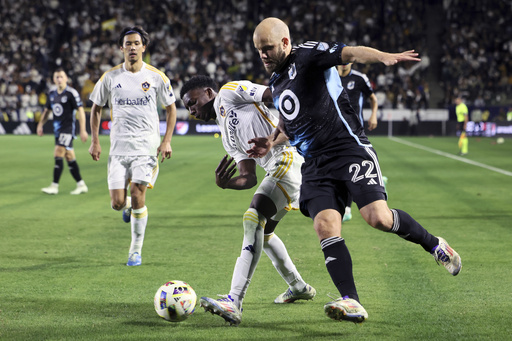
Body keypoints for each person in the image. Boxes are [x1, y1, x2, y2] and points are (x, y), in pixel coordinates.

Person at [251, 17, 462, 323]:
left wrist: (382, 56)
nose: (263, 55)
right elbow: (289, 124)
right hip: (316, 164)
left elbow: (348, 53)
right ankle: (352, 301)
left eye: (268, 48)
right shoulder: (276, 80)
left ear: (285, 42)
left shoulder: (308, 54)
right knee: (325, 226)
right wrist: (270, 142)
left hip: (348, 150)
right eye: (259, 50)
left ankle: (435, 245)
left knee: (378, 218)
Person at [180, 75, 316, 326]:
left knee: (253, 218)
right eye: (188, 108)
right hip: (278, 169)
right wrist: (226, 184)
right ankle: (298, 286)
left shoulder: (230, 92)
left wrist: (273, 140)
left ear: (209, 92)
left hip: (289, 156)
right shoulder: (227, 137)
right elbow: (248, 177)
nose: (191, 111)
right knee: (263, 233)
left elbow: (279, 95)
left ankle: (234, 300)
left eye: (192, 102)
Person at [88, 26, 177, 266]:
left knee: (138, 194)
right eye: (128, 44)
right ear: (121, 48)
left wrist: (166, 140)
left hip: (146, 147)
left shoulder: (157, 77)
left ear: (144, 47)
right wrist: (95, 141)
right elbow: (96, 108)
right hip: (118, 148)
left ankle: (135, 251)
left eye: (136, 43)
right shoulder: (110, 77)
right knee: (117, 203)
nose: (132, 47)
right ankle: (126, 206)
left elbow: (171, 108)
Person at [337, 63, 386, 222]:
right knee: (340, 166)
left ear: (351, 61)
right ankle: (378, 179)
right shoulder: (330, 77)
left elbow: (373, 98)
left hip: (354, 129)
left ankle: (347, 208)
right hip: (334, 128)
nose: (344, 63)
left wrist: (373, 115)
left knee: (350, 166)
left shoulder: (359, 78)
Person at [37, 68, 88, 195]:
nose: (59, 79)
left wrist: (83, 130)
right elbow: (47, 111)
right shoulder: (52, 93)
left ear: (66, 79)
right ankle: (81, 184)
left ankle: (54, 186)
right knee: (69, 156)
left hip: (67, 129)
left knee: (58, 152)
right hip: (57, 130)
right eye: (57, 77)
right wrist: (40, 125)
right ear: (54, 79)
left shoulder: (71, 93)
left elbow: (80, 111)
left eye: (61, 77)